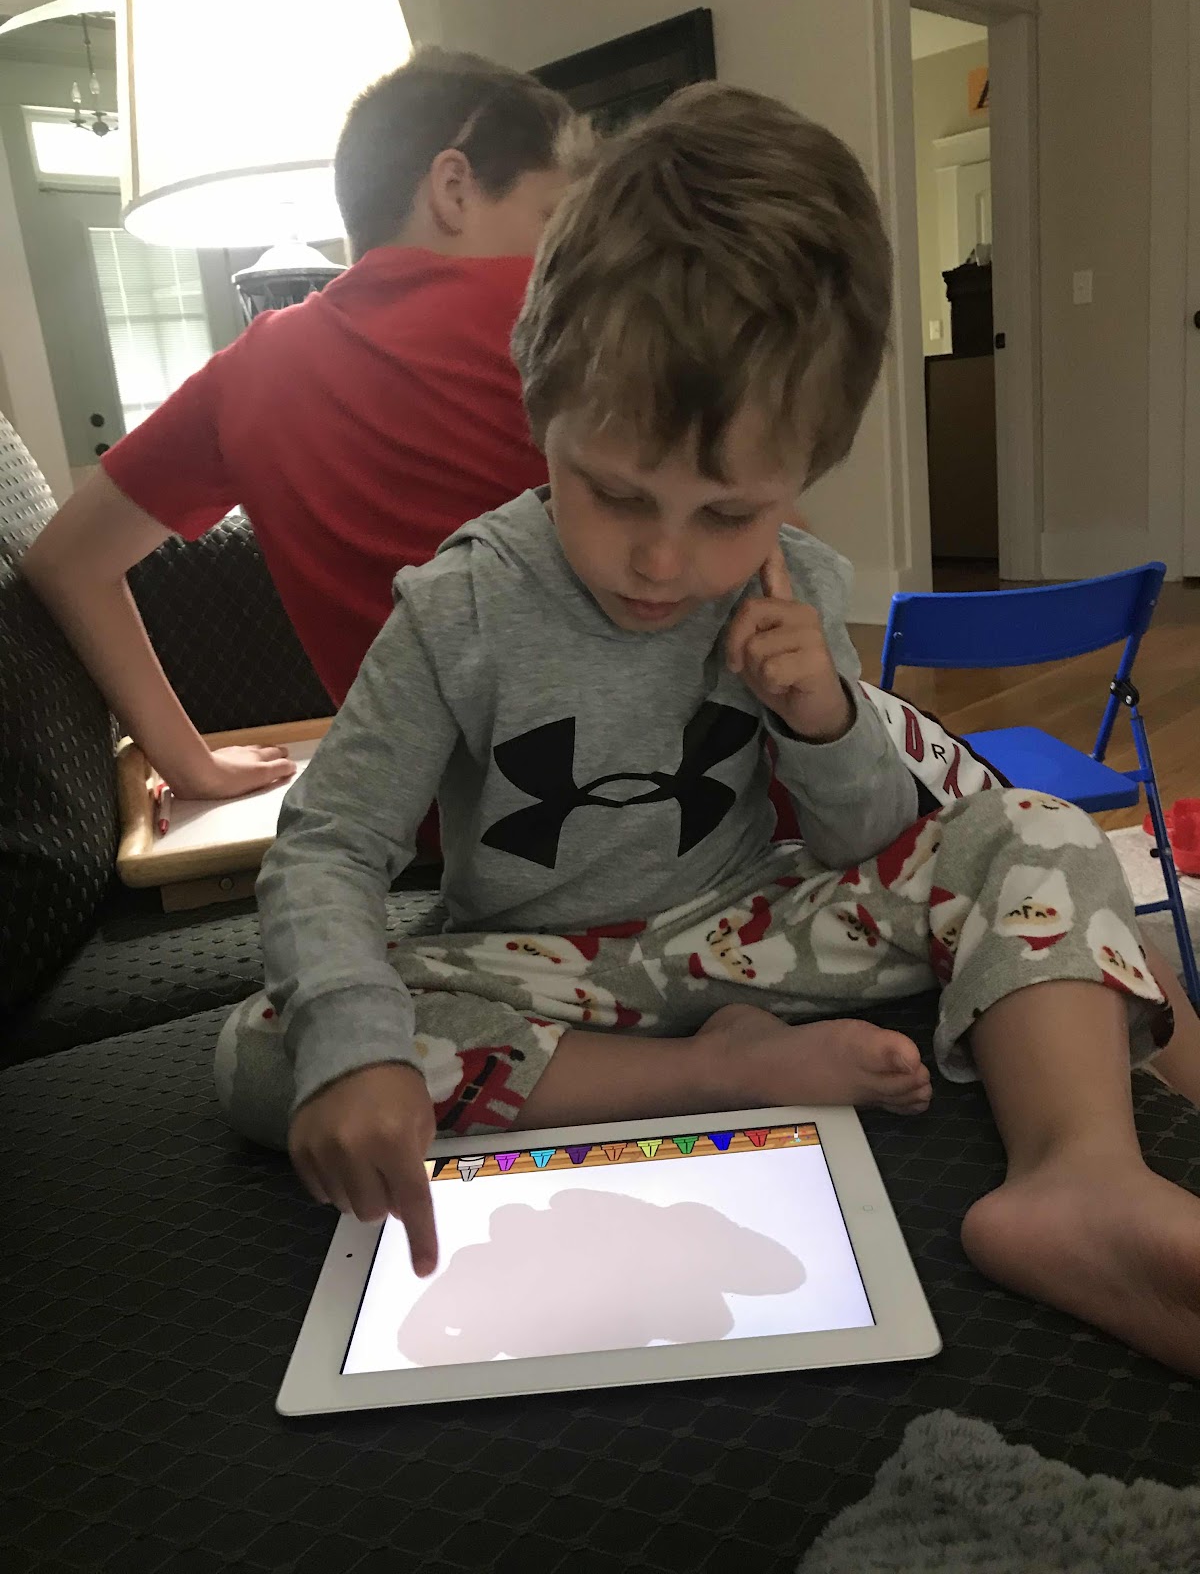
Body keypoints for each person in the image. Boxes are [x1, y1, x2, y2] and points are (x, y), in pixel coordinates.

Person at [216, 83, 1200, 1380]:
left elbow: (863, 840)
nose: (664, 561)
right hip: (539, 967)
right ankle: (715, 1075)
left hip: (753, 932)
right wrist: (357, 1048)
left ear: (801, 477)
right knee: (273, 1043)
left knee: (1037, 829)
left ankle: (1081, 1178)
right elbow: (329, 846)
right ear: (542, 411)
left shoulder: (799, 584)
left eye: (728, 513)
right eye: (615, 493)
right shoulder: (462, 606)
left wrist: (825, 715)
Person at [21, 49, 583, 800]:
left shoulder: (251, 368)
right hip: (676, 804)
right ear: (452, 188)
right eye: (552, 218)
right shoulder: (569, 315)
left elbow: (67, 561)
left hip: (418, 829)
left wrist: (190, 765)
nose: (559, 252)